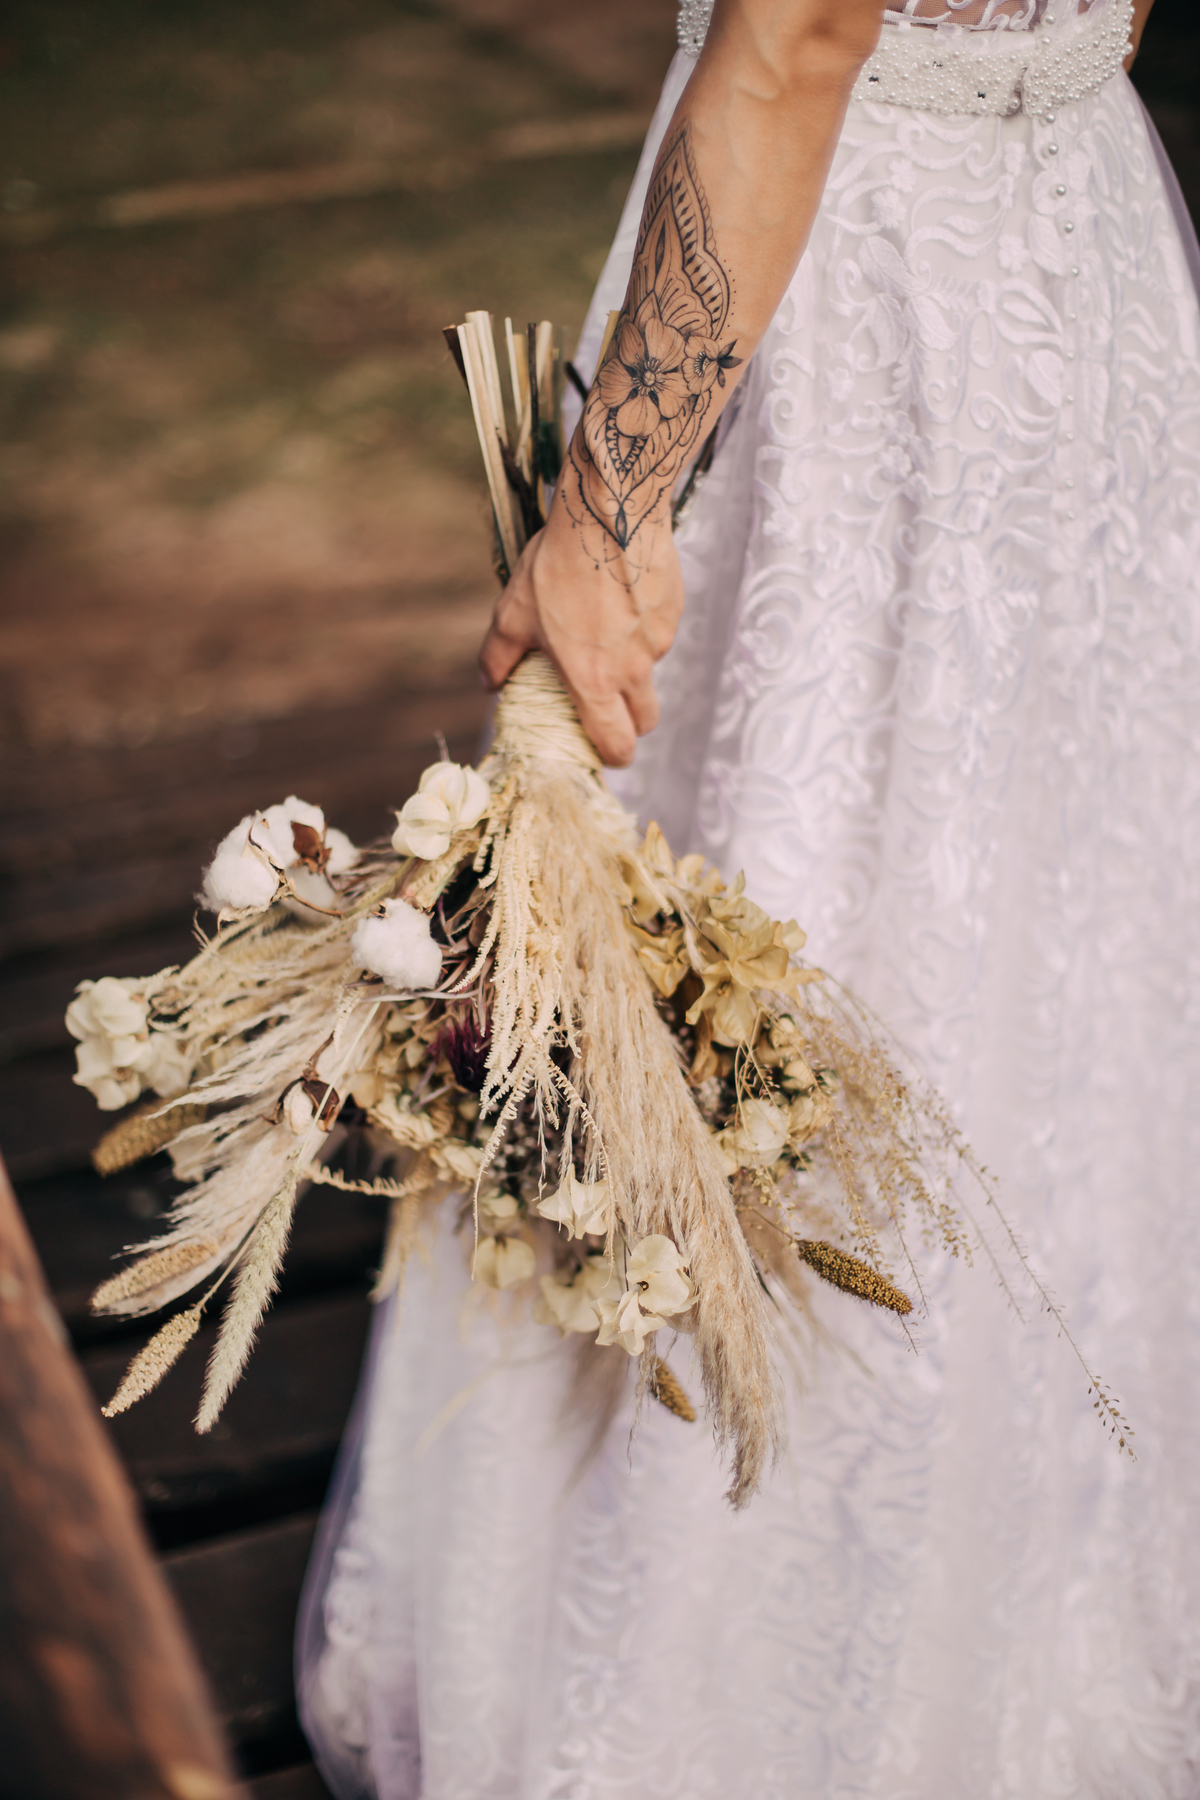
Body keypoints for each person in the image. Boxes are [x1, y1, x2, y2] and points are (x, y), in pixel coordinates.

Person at [298, 0, 1200, 1791]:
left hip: (858, 308)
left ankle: (716, 1688)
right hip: (1082, 262)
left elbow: (794, 37)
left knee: (806, 909)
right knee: (1031, 955)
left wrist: (608, 514)